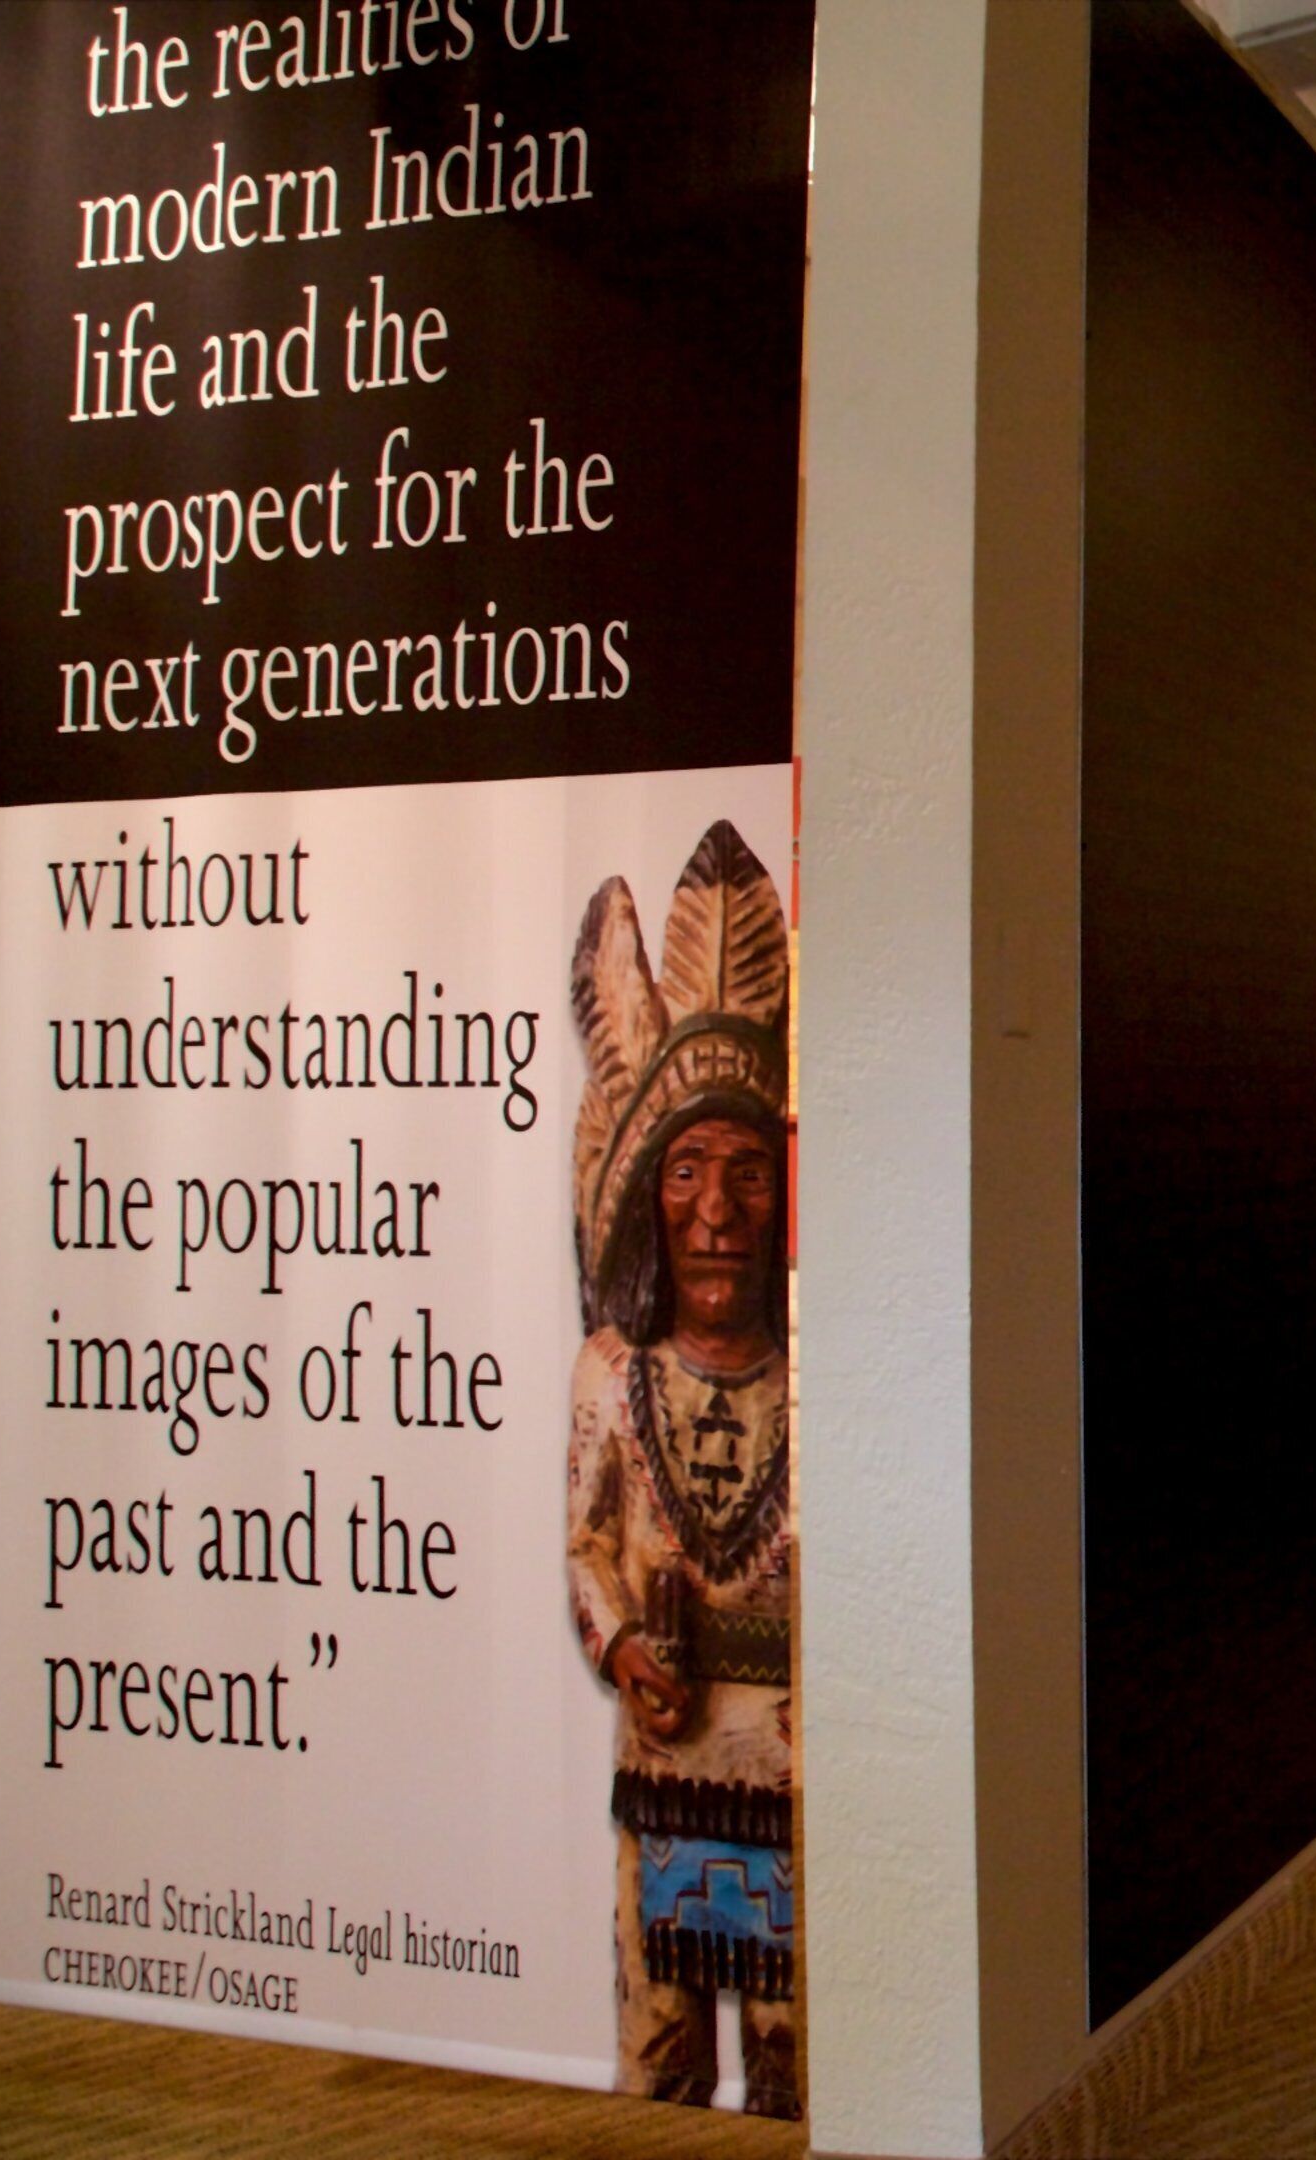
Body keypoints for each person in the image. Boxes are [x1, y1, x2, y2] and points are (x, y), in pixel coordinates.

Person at [564, 822, 799, 2117]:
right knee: (657, 2058)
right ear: (649, 1199)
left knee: (790, 2060)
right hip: (662, 1773)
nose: (717, 1211)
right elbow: (587, 1548)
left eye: (749, 1175)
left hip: (783, 1769)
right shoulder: (612, 1375)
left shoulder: (814, 1383)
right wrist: (623, 1649)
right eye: (691, 1174)